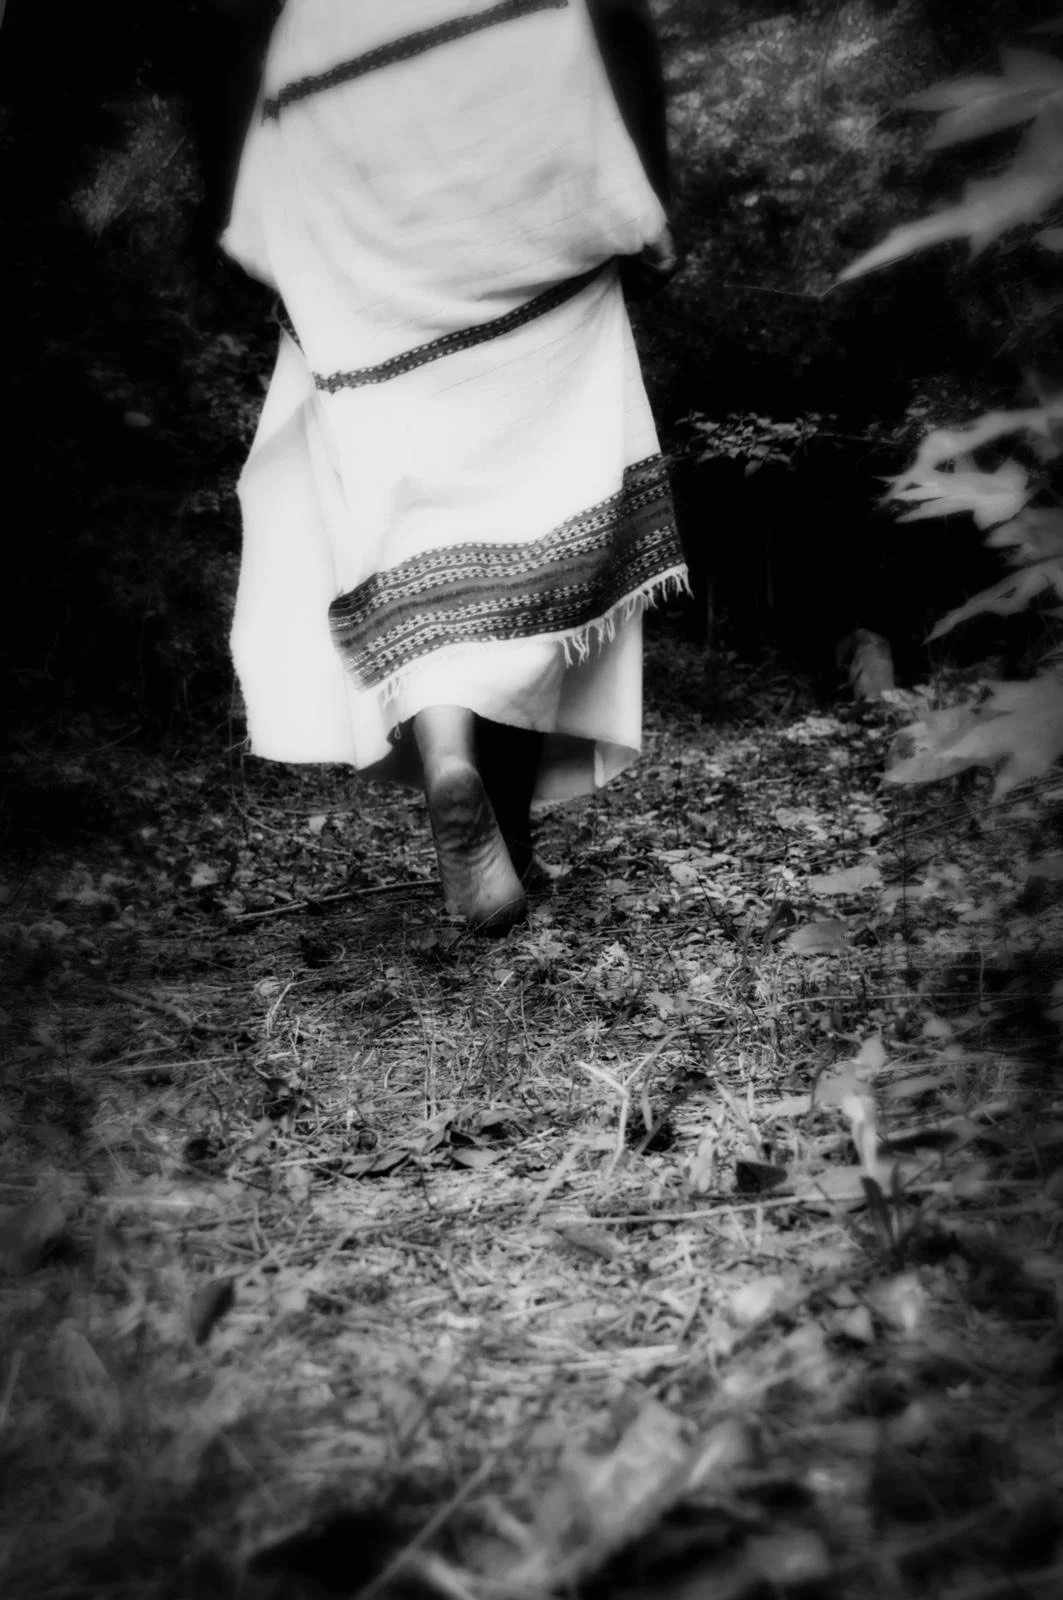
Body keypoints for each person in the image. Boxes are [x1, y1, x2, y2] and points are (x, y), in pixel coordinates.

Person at [217, 0, 687, 933]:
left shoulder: (316, 13)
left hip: (375, 318)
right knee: (532, 553)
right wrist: (645, 214)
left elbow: (271, 204)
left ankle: (450, 767)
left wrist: (345, 290)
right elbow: (583, 83)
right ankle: (507, 835)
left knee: (421, 562)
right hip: (525, 299)